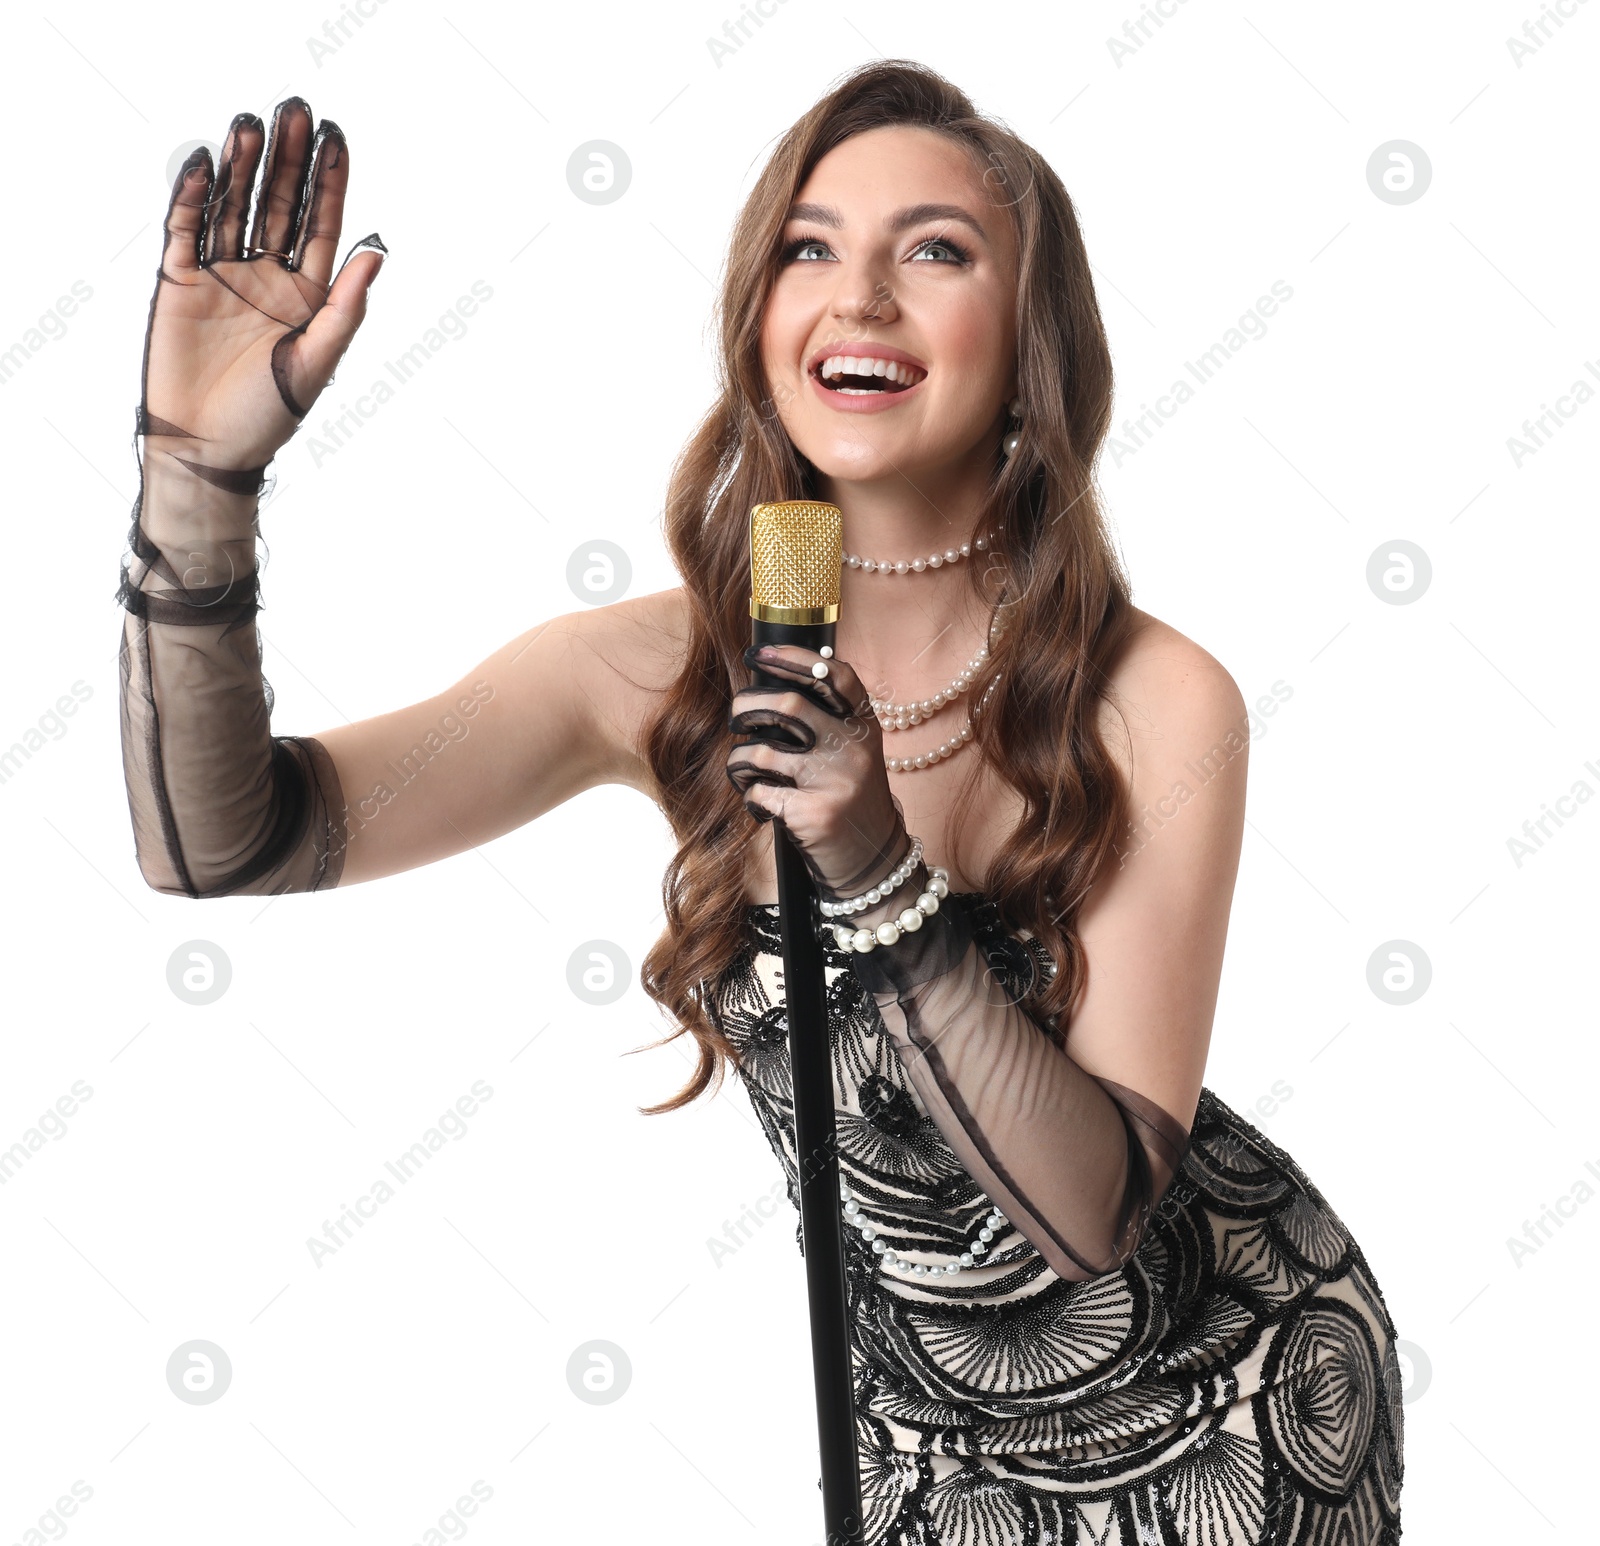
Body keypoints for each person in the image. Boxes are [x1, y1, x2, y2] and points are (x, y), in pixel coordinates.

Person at [116, 61, 1404, 1546]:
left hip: (1231, 1404)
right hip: (922, 1447)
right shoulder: (659, 670)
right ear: (759, 314)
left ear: (1032, 336)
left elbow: (1089, 1221)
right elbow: (219, 841)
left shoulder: (1154, 697)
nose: (857, 294)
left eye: (933, 248)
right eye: (808, 246)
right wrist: (195, 480)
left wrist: (874, 867)